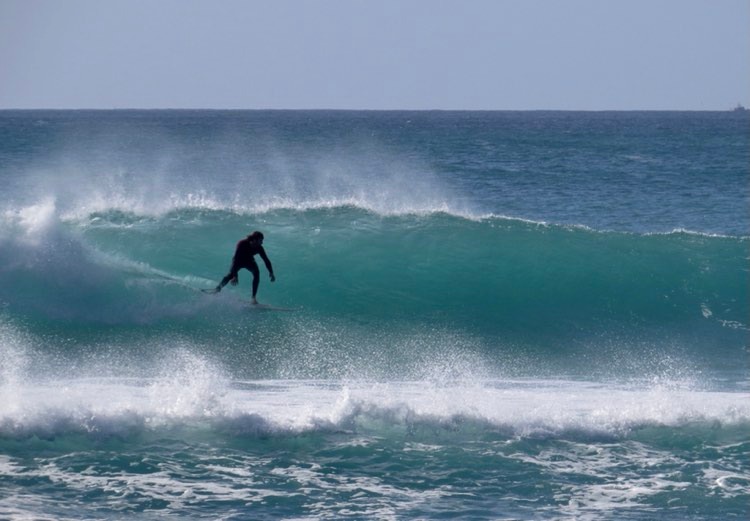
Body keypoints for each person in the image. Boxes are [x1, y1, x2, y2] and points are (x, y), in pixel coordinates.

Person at [211, 231, 275, 304]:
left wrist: (271, 272)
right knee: (230, 275)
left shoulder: (259, 248)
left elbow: (266, 260)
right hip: (238, 261)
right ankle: (217, 289)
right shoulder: (242, 243)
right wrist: (235, 276)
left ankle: (253, 298)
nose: (262, 243)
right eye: (260, 240)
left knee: (256, 273)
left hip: (249, 261)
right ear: (254, 240)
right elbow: (236, 259)